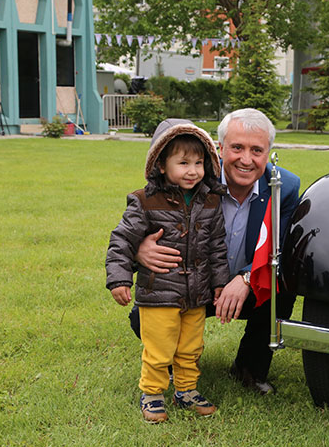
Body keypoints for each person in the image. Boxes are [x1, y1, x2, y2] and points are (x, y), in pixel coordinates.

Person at [135, 108, 301, 395]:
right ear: (219, 148)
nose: (246, 159)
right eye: (237, 147)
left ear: (269, 152)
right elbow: (143, 217)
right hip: (193, 284)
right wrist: (140, 249)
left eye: (257, 150)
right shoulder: (191, 175)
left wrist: (247, 278)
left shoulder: (284, 187)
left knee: (281, 287)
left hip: (246, 288)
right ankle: (172, 365)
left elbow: (285, 249)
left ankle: (250, 368)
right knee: (143, 314)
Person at [106, 118, 230, 423]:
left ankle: (186, 391)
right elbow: (122, 239)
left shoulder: (211, 200)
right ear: (161, 165)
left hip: (196, 294)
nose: (192, 170)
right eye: (183, 162)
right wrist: (119, 278)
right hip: (159, 292)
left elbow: (217, 246)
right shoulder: (145, 201)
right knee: (160, 348)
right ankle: (152, 393)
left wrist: (219, 283)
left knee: (190, 347)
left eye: (199, 162)